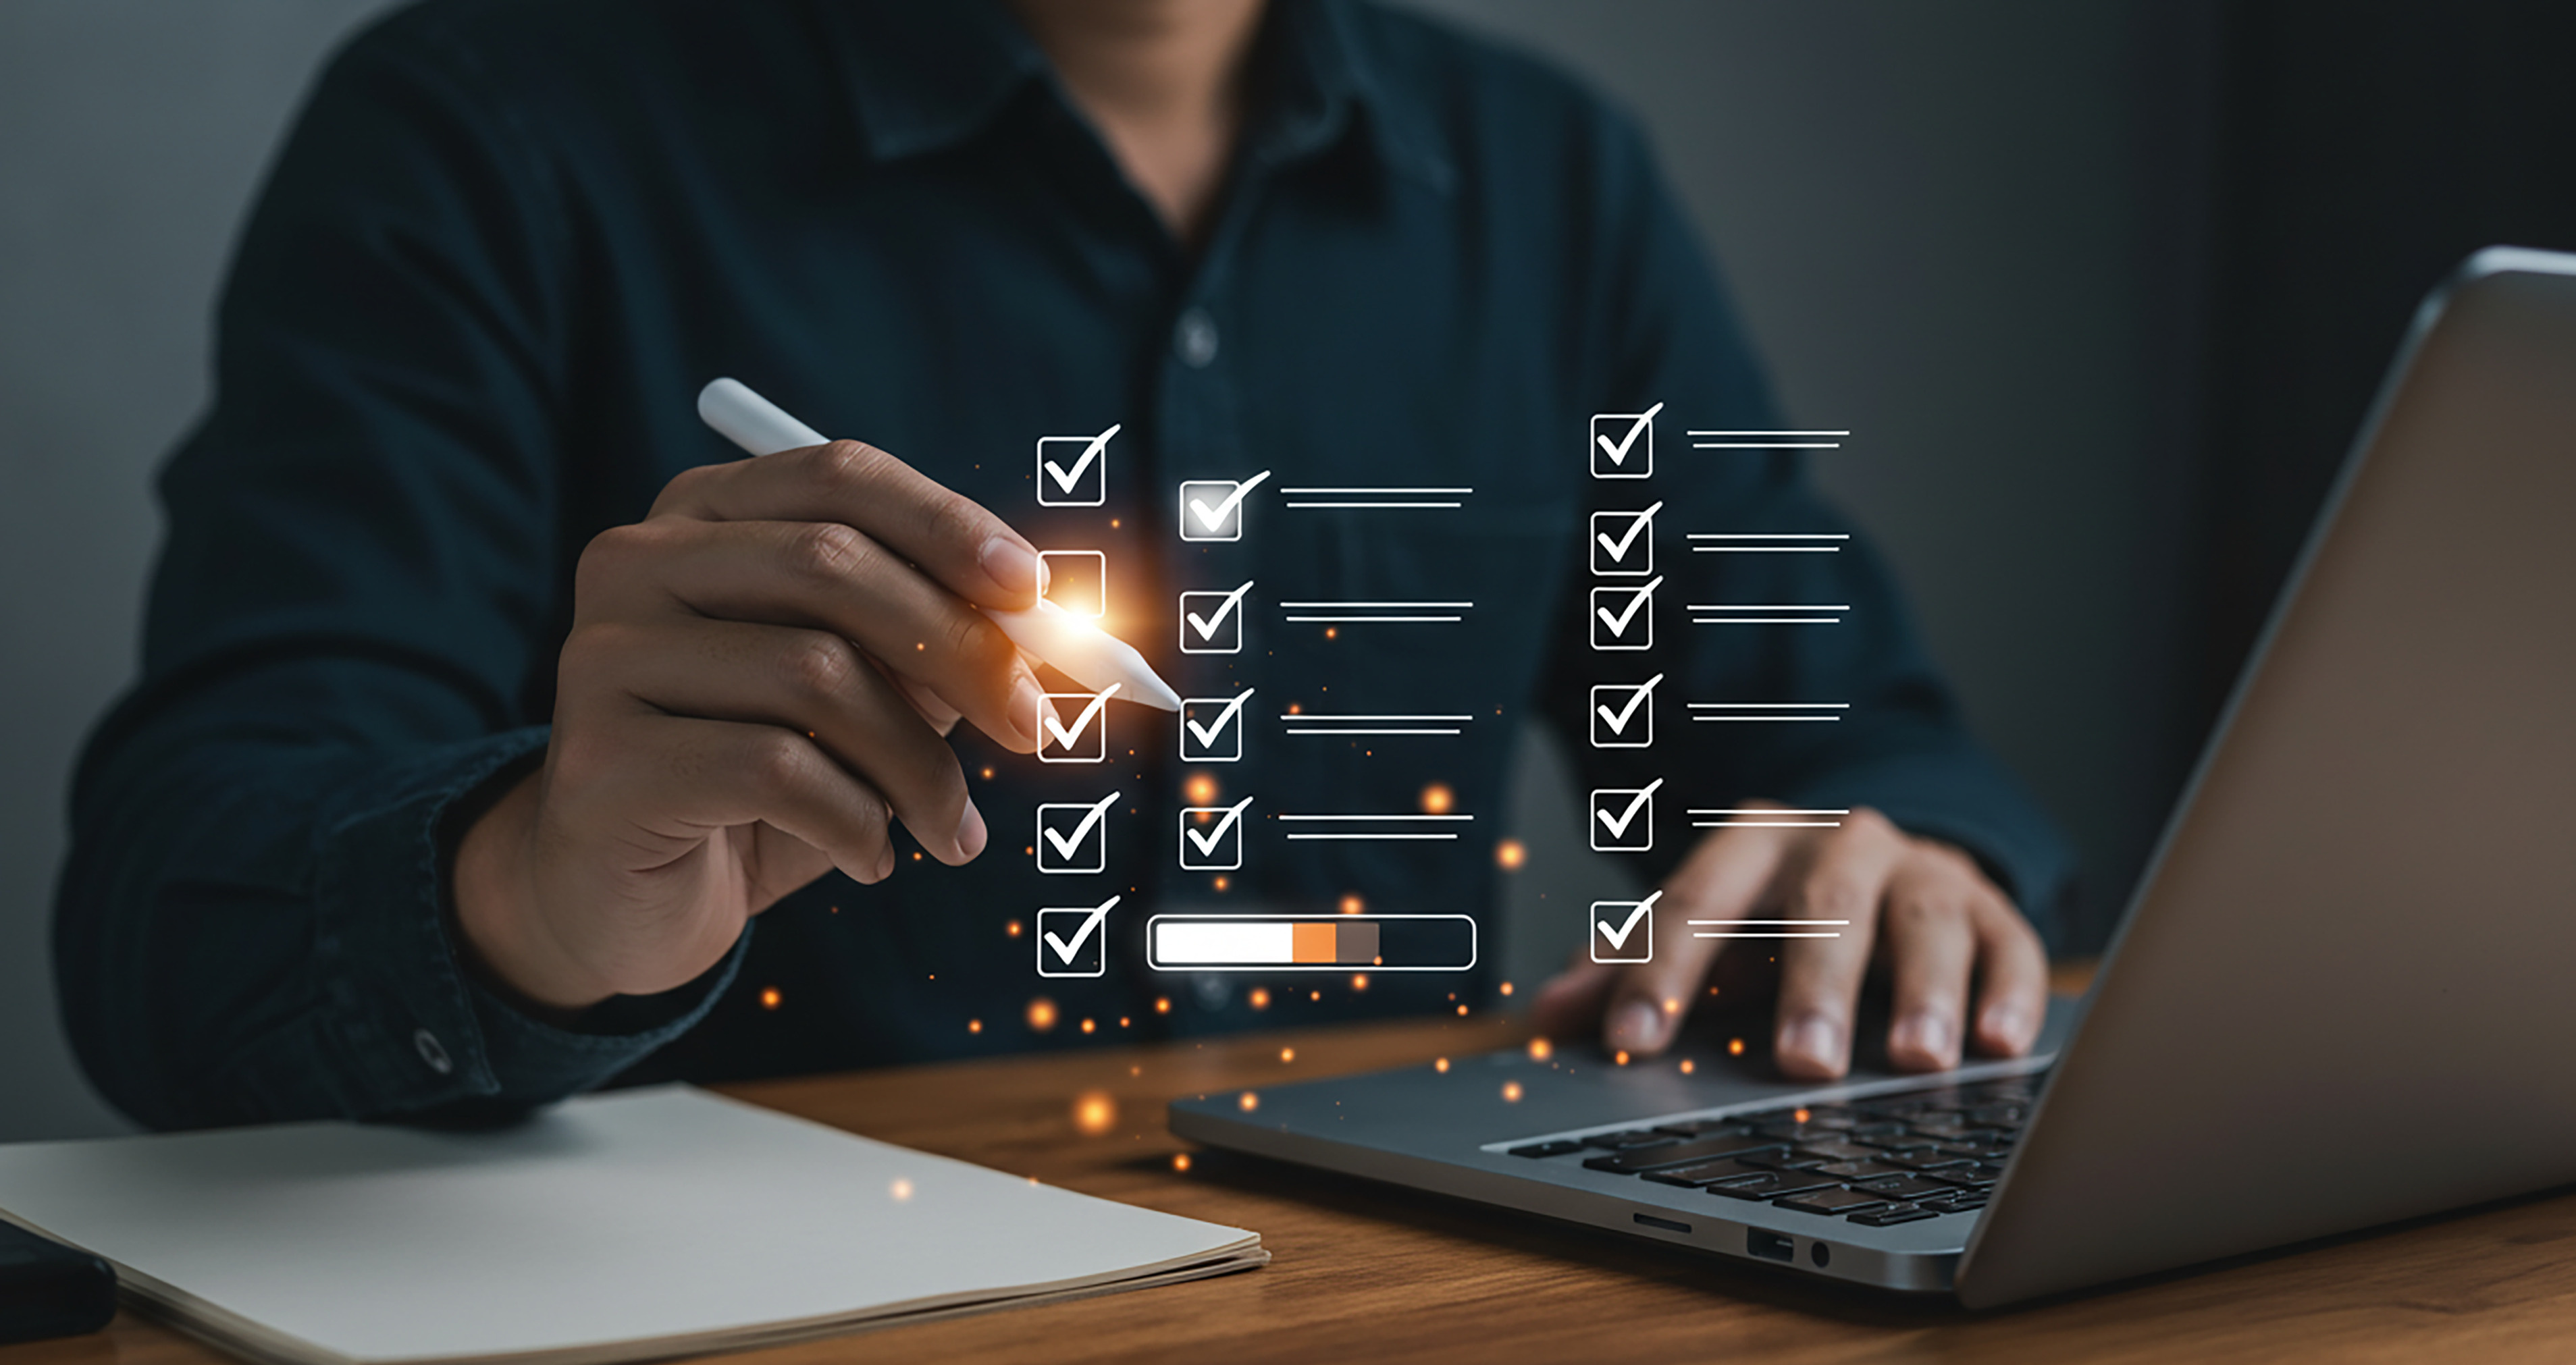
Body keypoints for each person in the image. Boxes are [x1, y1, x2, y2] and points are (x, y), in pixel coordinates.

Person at [55, 0, 2072, 1130]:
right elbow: (173, 936)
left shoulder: (1551, 179)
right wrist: (538, 891)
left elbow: (1848, 733)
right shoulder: (494, 127)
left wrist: (1891, 852)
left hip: (1430, 1324)